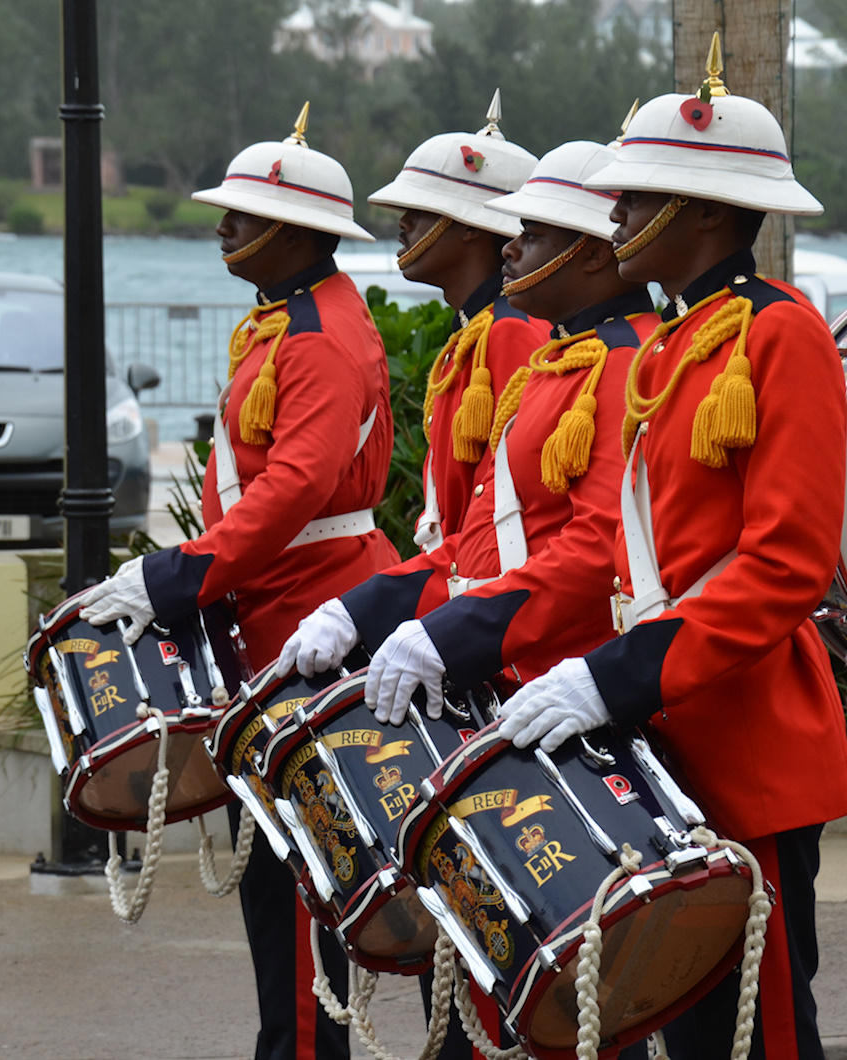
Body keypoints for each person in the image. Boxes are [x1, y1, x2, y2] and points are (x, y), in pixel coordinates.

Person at [493, 42, 847, 1059]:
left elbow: (788, 561)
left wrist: (615, 672)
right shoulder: (668, 343)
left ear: (700, 212)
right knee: (682, 1028)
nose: (609, 218)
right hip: (664, 731)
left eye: (632, 198)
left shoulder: (780, 335)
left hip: (749, 737)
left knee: (756, 1033)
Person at [280, 137, 659, 1060]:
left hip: (568, 670)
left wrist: (454, 629)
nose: (515, 243)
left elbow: (592, 548)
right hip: (507, 661)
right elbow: (476, 539)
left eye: (533, 231)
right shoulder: (538, 352)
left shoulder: (569, 350)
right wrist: (384, 611)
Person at [75, 106, 399, 1060]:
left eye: (240, 214)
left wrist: (176, 575)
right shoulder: (287, 320)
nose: (220, 226)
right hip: (276, 608)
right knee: (276, 876)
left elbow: (294, 490)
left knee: (297, 878)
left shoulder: (321, 336)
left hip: (310, 613)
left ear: (295, 233)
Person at [365, 90, 544, 555]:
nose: (402, 223)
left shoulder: (510, 332)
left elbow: (499, 501)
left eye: (421, 211)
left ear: (469, 225)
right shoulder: (477, 327)